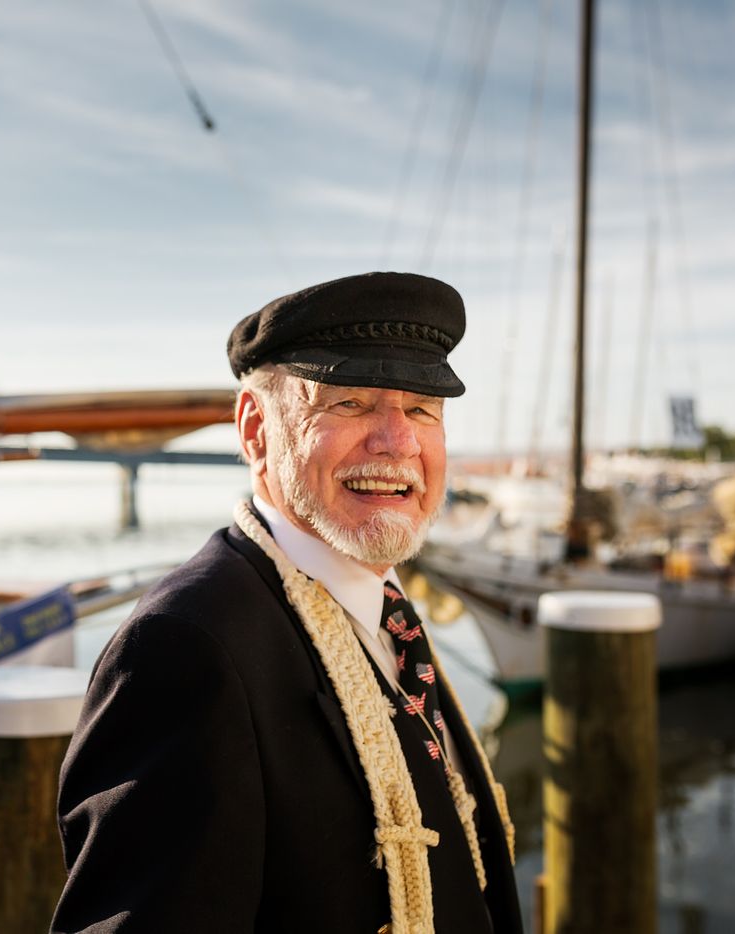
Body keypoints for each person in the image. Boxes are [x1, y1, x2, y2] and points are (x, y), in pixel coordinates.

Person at [52, 272, 522, 934]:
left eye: (422, 410)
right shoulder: (186, 651)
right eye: (351, 404)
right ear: (254, 430)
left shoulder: (385, 614)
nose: (398, 442)